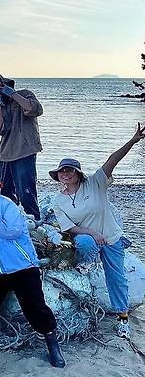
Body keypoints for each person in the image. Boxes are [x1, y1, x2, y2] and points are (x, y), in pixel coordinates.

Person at [0, 168, 65, 368]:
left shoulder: (5, 204)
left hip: (21, 265)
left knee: (35, 306)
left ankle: (52, 344)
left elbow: (13, 231)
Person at [50, 123, 145, 339]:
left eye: (70, 170)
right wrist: (92, 233)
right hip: (88, 239)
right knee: (84, 243)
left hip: (111, 238)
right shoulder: (58, 201)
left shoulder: (95, 183)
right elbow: (70, 228)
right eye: (62, 171)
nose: (65, 173)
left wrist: (132, 141)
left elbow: (112, 160)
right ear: (58, 175)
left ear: (78, 173)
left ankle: (122, 320)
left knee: (117, 278)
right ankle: (88, 261)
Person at [0, 71, 43, 222]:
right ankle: (10, 219)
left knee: (26, 190)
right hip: (5, 153)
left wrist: (13, 95)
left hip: (25, 150)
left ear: (4, 81)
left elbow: (35, 109)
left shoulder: (25, 94)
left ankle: (35, 219)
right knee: (5, 190)